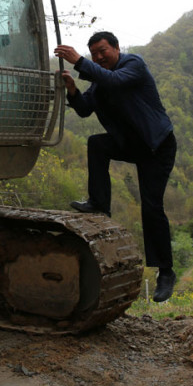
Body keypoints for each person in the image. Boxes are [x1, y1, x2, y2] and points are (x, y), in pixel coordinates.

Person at [54, 31, 178, 302]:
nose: (99, 57)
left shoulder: (133, 64)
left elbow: (116, 81)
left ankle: (165, 272)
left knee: (151, 206)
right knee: (97, 144)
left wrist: (80, 61)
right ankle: (99, 203)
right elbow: (86, 108)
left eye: (102, 51)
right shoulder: (100, 82)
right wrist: (73, 90)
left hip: (158, 146)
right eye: (94, 54)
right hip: (131, 144)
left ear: (116, 48)